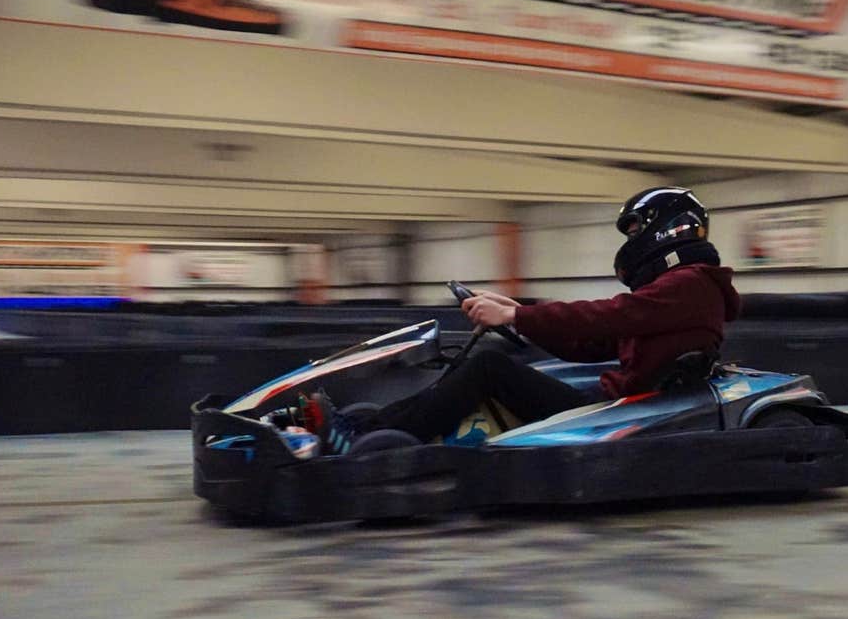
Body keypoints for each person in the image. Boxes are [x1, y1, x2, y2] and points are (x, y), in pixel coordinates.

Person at [309, 187, 742, 454]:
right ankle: (366, 427)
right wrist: (516, 321)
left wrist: (517, 313)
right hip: (614, 398)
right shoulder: (681, 291)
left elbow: (609, 315)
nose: (632, 242)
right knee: (495, 358)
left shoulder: (692, 284)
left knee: (488, 367)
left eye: (635, 231)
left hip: (621, 411)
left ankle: (368, 437)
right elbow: (593, 344)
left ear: (670, 230)